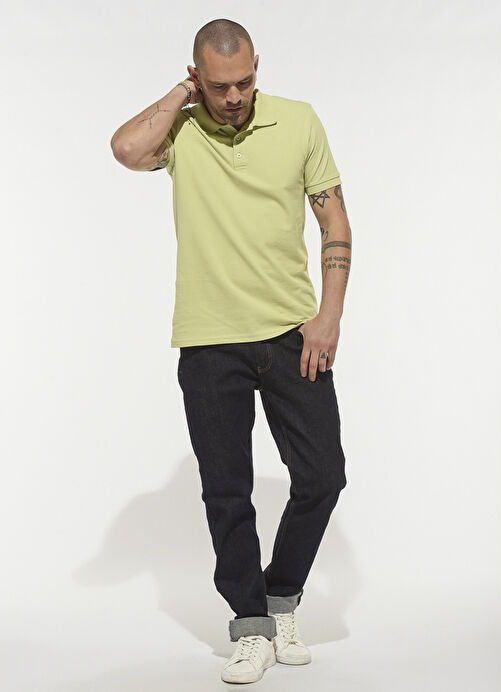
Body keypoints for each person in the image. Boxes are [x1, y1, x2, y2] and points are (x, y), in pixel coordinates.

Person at [110, 17, 351, 685]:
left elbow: (333, 217)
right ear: (197, 78)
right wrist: (179, 99)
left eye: (244, 81)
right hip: (209, 339)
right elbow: (125, 149)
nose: (235, 96)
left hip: (292, 333)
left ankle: (280, 599)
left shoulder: (298, 121)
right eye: (219, 86)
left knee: (323, 476)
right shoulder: (182, 131)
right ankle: (250, 626)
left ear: (256, 68)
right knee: (226, 491)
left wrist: (328, 317)